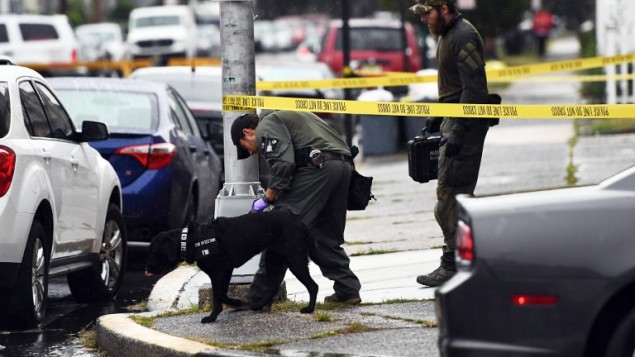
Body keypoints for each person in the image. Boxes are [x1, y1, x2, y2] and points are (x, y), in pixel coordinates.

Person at [231, 111, 362, 305]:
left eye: (245, 147)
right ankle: (347, 290)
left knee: (280, 231)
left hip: (317, 169)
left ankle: (258, 297)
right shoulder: (293, 116)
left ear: (248, 132)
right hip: (342, 168)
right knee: (323, 234)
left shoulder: (266, 125)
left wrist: (268, 198)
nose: (251, 153)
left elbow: (284, 164)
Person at [410, 0, 491, 287]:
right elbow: (454, 89)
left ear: (444, 8)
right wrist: (438, 115)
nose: (423, 20)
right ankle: (469, 259)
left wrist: (460, 129)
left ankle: (453, 265)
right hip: (453, 120)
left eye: (426, 13)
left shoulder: (463, 35)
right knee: (452, 198)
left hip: (465, 125)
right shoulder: (446, 35)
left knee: (449, 199)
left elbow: (475, 90)